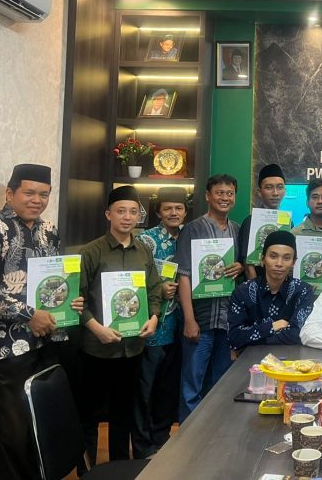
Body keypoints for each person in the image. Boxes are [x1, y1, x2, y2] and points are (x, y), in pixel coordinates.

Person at [0, 163, 83, 480]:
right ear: (10, 193)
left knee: (38, 429)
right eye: (29, 193)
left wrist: (70, 301)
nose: (37, 200)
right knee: (10, 435)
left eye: (44, 194)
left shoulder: (49, 231)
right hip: (5, 349)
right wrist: (28, 314)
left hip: (46, 343)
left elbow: (56, 281)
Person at [78, 185, 162, 462]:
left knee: (123, 412)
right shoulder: (91, 252)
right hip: (97, 348)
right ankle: (87, 470)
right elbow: (77, 299)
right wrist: (97, 329)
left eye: (133, 212)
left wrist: (153, 317)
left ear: (139, 216)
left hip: (132, 347)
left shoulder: (144, 251)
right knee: (90, 413)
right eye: (121, 211)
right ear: (108, 214)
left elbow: (154, 290)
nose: (127, 217)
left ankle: (118, 466)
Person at [175, 174, 244, 421]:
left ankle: (217, 435)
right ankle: (189, 439)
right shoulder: (193, 229)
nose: (225, 198)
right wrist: (189, 320)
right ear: (207, 196)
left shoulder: (237, 230)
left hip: (227, 321)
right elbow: (183, 275)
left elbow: (243, 266)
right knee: (191, 386)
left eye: (230, 193)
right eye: (219, 193)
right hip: (200, 320)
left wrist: (240, 266)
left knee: (222, 383)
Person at [132, 186, 186, 459]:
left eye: (178, 208)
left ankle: (161, 439)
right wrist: (158, 288)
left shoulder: (188, 236)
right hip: (152, 325)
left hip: (179, 323)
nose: (173, 213)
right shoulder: (146, 240)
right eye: (168, 208)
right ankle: (142, 446)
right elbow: (130, 278)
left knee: (168, 387)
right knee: (145, 388)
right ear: (159, 212)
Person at [228, 231, 314, 350]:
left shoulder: (303, 291)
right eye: (273, 256)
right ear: (263, 259)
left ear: (293, 262)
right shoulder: (243, 291)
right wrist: (273, 326)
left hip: (292, 357)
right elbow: (234, 337)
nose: (279, 263)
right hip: (251, 358)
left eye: (287, 258)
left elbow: (297, 334)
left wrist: (254, 337)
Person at [238, 163, 289, 280]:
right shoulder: (250, 222)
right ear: (259, 192)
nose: (275, 193)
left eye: (279, 187)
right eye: (269, 187)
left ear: (284, 191)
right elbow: (248, 265)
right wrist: (256, 289)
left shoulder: (287, 222)